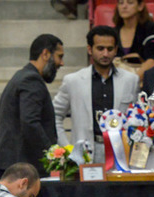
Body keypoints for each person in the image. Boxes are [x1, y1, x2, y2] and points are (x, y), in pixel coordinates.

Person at [53, 25, 139, 164]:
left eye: (110, 49)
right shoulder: (73, 81)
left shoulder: (131, 80)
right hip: (84, 155)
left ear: (116, 50)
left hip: (121, 154)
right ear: (89, 49)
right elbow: (54, 116)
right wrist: (68, 148)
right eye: (100, 48)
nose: (105, 54)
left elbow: (137, 119)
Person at [0, 34, 64, 177]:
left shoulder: (21, 76)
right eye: (60, 56)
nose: (62, 63)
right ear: (45, 54)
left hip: (12, 164)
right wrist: (53, 157)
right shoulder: (31, 80)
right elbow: (30, 122)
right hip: (20, 168)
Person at [113, 0, 154, 78]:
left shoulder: (150, 28)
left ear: (140, 6)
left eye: (130, 2)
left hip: (144, 80)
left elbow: (153, 60)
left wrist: (133, 80)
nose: (124, 6)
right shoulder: (114, 32)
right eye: (121, 3)